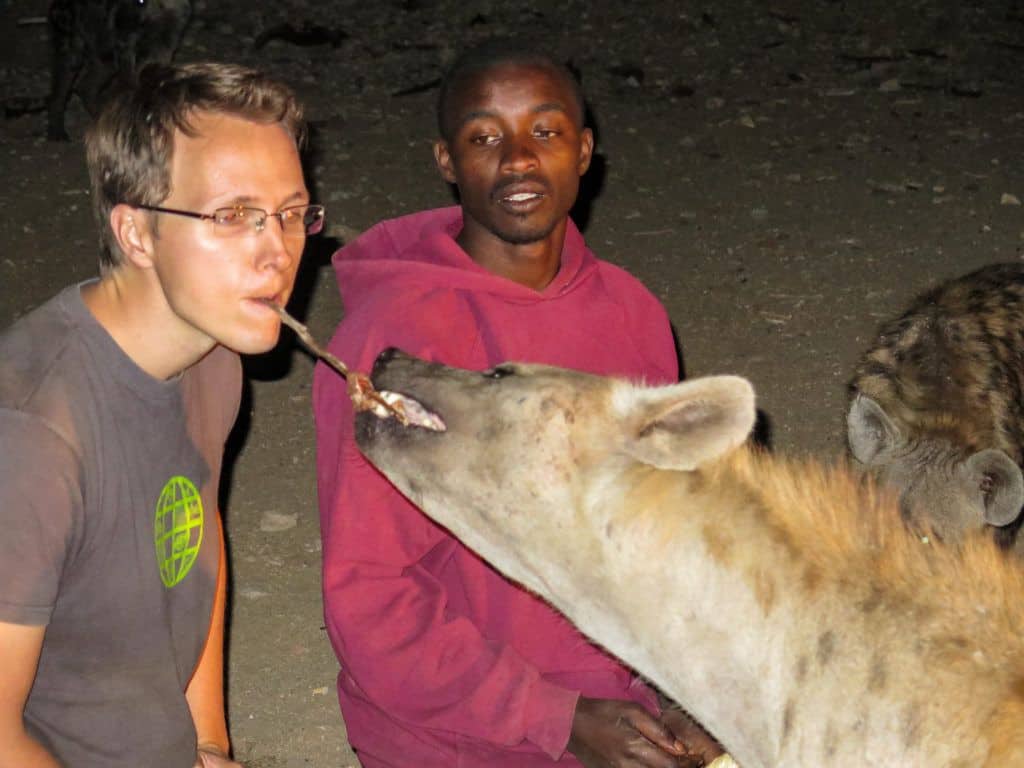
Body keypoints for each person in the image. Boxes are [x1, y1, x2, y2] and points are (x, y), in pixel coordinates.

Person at [313, 41, 722, 768]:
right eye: (484, 137)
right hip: (457, 728)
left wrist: (688, 700)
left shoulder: (631, 313)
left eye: (545, 131)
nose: (519, 159)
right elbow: (370, 597)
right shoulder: (397, 338)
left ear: (585, 149)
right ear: (446, 161)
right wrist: (556, 718)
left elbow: (662, 538)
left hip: (611, 708)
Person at [0, 61, 323, 768]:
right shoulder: (33, 439)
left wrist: (207, 738)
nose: (279, 253)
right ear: (137, 234)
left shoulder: (212, 355)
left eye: (293, 214)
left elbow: (193, 531)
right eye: (234, 216)